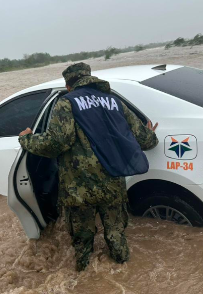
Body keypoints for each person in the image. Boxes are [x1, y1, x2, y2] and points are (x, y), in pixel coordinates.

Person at [18, 62, 158, 271]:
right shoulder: (114, 101)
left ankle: (82, 277)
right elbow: (145, 140)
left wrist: (27, 139)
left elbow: (57, 142)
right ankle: (123, 269)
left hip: (79, 188)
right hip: (112, 180)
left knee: (82, 239)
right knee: (115, 234)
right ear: (90, 78)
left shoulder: (66, 103)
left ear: (68, 86)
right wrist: (151, 134)